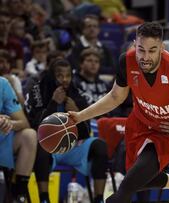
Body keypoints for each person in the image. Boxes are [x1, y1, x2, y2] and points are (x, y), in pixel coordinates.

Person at [68, 22, 169, 203]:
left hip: (167, 131)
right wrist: (79, 117)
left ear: (162, 48)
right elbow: (116, 97)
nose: (145, 57)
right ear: (135, 44)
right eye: (141, 50)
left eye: (152, 50)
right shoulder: (127, 61)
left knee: (124, 190)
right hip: (139, 125)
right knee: (137, 180)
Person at [25, 59, 108, 203]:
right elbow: (36, 127)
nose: (65, 80)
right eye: (60, 75)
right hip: (49, 148)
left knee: (100, 145)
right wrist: (53, 104)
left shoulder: (77, 93)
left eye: (68, 75)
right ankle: (44, 198)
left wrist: (78, 112)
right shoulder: (37, 91)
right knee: (41, 145)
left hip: (74, 147)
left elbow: (85, 132)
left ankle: (99, 199)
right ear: (52, 76)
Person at [0, 77, 37, 202]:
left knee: (29, 135)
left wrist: (8, 123)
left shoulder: (2, 84)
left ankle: (18, 195)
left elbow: (23, 122)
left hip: (2, 140)